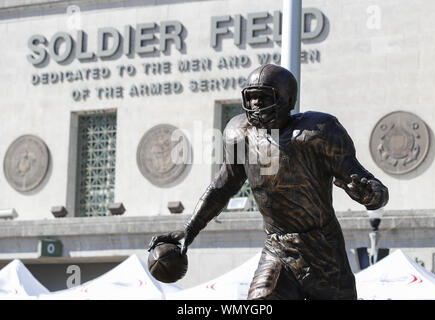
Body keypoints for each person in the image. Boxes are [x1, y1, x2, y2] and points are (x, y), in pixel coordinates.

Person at [148, 64, 389, 300]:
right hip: (278, 246)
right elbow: (223, 186)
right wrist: (189, 230)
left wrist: (371, 194)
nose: (255, 105)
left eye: (264, 98)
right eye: (251, 98)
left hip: (322, 247)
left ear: (288, 100)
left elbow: (363, 181)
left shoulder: (318, 131)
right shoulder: (240, 134)